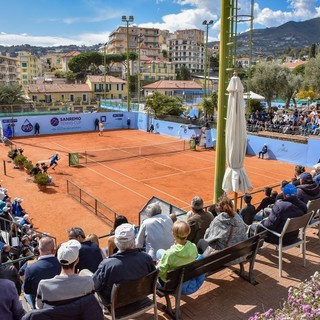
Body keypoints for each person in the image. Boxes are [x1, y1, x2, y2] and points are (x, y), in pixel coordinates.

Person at [92, 223, 155, 306]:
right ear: (134, 241)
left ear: (116, 243)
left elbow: (94, 285)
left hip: (116, 303)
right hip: (140, 296)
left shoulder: (107, 265)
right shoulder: (146, 258)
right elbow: (153, 275)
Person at [36, 239, 100, 315]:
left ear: (58, 259)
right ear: (77, 260)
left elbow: (39, 307)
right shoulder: (88, 281)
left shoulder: (43, 285)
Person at [23, 236, 60, 309]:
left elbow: (27, 290)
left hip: (41, 308)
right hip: (59, 304)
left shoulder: (30, 268)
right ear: (53, 250)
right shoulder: (63, 264)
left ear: (39, 250)